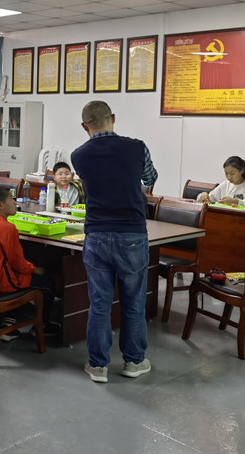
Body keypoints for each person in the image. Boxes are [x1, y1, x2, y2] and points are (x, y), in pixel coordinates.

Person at [71, 101, 158, 383]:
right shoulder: (137, 147)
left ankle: (98, 366)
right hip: (132, 233)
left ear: (84, 126)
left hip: (96, 234)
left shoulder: (78, 155)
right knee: (133, 302)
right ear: (113, 118)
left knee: (99, 303)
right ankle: (134, 361)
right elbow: (150, 177)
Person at [0, 186, 60, 338]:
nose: (15, 203)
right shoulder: (8, 228)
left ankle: (9, 322)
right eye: (11, 199)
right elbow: (18, 263)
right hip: (4, 281)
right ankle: (41, 326)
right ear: (0, 205)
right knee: (48, 283)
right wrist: (35, 269)